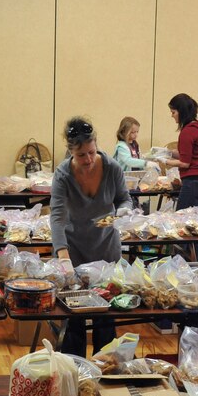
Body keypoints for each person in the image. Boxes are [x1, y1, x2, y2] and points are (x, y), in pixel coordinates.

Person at [50, 117, 132, 357]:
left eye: (91, 153)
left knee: (106, 318)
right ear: (70, 152)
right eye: (81, 155)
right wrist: (62, 256)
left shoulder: (112, 168)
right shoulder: (63, 174)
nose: (87, 160)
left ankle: (106, 371)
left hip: (107, 248)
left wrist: (124, 210)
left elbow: (124, 198)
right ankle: (75, 373)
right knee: (75, 317)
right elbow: (56, 217)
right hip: (75, 250)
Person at [163, 93, 198, 210]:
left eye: (173, 112)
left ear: (182, 112)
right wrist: (167, 152)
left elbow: (185, 163)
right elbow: (188, 155)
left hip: (193, 182)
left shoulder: (187, 132)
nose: (172, 116)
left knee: (181, 219)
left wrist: (165, 161)